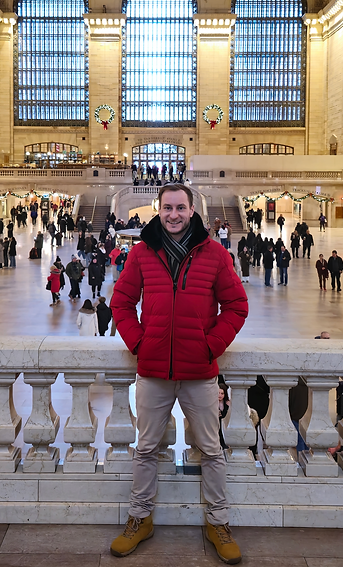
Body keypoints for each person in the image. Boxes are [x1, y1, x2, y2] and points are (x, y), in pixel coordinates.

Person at [109, 184, 247, 564]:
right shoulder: (141, 253)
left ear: (191, 211)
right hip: (153, 370)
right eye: (167, 208)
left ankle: (218, 522)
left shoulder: (214, 254)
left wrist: (211, 345)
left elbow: (236, 304)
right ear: (159, 210)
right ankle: (140, 518)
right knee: (147, 448)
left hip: (200, 371)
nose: (173, 214)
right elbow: (121, 303)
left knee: (211, 450)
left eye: (180, 208)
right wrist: (140, 343)